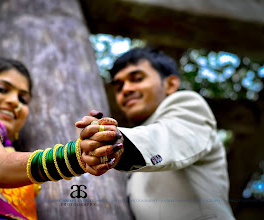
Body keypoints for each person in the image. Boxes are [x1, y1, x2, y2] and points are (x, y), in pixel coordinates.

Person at [0, 57, 123, 219]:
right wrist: (75, 156)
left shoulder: (10, 151)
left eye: (23, 99)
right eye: (1, 89)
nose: (14, 101)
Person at [78, 47, 235, 219]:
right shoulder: (133, 164)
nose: (126, 89)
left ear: (170, 84)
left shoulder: (188, 105)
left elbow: (172, 136)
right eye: (119, 86)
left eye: (137, 79)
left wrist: (117, 140)